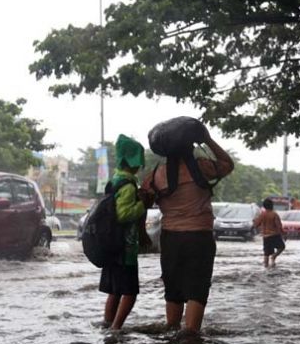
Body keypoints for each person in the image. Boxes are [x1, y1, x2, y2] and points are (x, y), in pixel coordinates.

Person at [142, 128, 234, 333]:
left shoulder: (155, 175)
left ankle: (172, 333)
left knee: (173, 290)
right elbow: (228, 164)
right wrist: (208, 140)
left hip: (170, 239)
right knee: (197, 290)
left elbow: (143, 203)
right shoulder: (202, 167)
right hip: (199, 237)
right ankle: (191, 340)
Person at [99, 134, 150, 330]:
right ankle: (116, 329)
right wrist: (143, 204)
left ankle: (107, 324)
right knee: (130, 292)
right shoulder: (128, 185)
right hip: (125, 249)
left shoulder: (115, 180)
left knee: (115, 291)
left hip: (112, 246)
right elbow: (123, 214)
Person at [253, 198, 286, 268]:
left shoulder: (262, 215)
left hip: (265, 236)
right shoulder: (274, 214)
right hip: (274, 235)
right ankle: (274, 256)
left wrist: (257, 224)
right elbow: (279, 226)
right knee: (282, 247)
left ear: (264, 206)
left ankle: (266, 267)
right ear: (272, 205)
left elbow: (256, 225)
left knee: (266, 253)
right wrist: (283, 234)